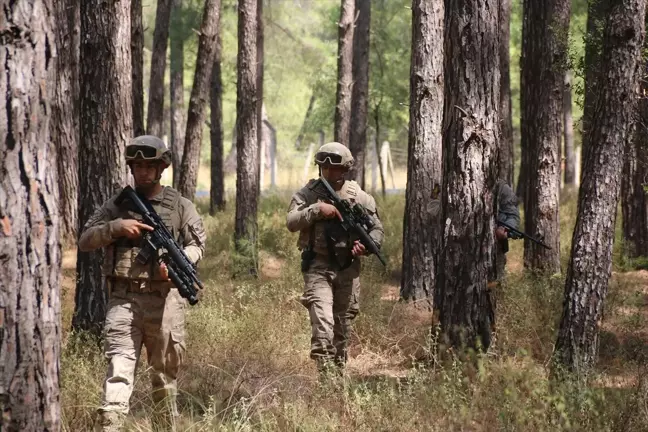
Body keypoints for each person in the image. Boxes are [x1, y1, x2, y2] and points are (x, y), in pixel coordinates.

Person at [78, 135, 206, 431]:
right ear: (131, 168)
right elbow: (85, 240)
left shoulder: (180, 206)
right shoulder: (117, 205)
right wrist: (116, 227)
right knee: (118, 375)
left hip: (165, 302)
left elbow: (198, 245)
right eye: (137, 166)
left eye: (150, 166)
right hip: (123, 300)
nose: (143, 172)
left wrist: (176, 263)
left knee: (164, 380)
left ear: (162, 167)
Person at [286, 142, 384, 375]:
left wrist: (367, 246)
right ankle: (324, 377)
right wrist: (317, 210)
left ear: (346, 168)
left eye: (336, 168)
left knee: (342, 327)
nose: (330, 173)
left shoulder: (359, 197)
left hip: (348, 268)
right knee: (323, 325)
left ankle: (336, 378)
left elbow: (377, 229)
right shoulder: (308, 194)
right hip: (317, 266)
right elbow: (291, 222)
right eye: (325, 168)